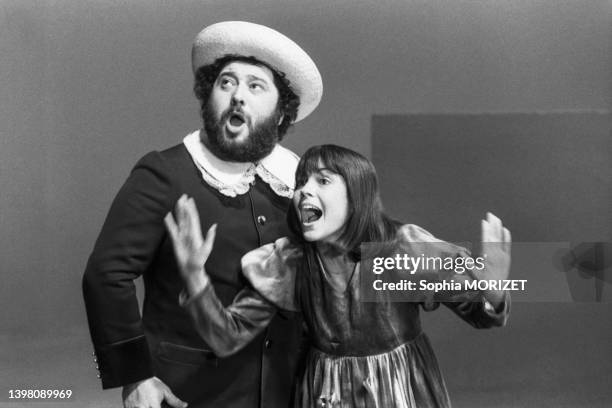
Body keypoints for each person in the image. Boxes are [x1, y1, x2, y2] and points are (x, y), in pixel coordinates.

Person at [82, 21, 323, 408]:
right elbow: (105, 276)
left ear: (281, 114)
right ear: (208, 97)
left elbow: (342, 260)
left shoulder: (298, 179)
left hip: (286, 391)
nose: (237, 96)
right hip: (189, 394)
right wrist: (134, 376)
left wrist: (441, 274)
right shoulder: (164, 172)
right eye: (226, 83)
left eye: (255, 86)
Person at [165, 144, 512, 408]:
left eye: (323, 180)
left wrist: (492, 289)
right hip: (324, 392)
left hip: (400, 390)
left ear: (356, 195)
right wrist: (195, 278)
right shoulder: (292, 263)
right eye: (301, 181)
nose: (303, 190)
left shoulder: (397, 251)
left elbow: (482, 315)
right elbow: (226, 337)